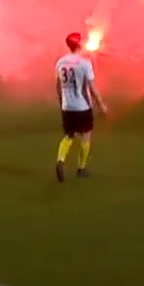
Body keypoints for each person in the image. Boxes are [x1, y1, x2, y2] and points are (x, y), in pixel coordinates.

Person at [55, 32, 106, 181]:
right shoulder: (84, 63)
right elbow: (91, 88)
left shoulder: (60, 62)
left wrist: (61, 102)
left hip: (67, 106)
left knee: (68, 135)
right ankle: (81, 168)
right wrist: (101, 105)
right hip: (82, 106)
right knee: (86, 136)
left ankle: (60, 160)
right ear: (79, 44)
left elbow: (57, 86)